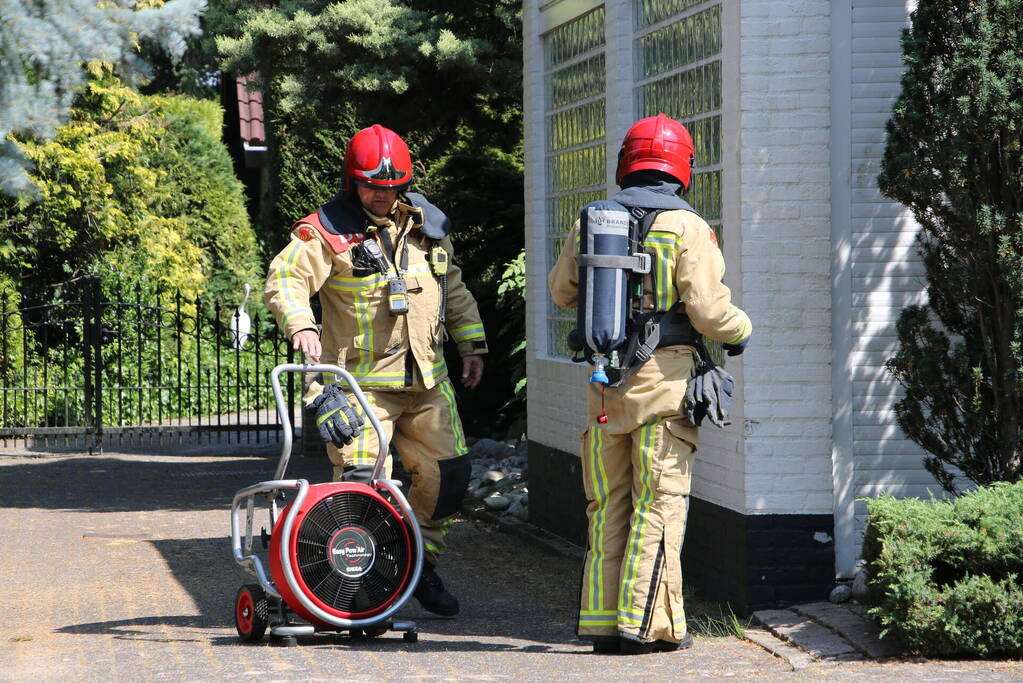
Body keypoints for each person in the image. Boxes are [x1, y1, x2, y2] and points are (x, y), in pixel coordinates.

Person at [547, 114, 752, 654]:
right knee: (658, 506)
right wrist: (741, 330)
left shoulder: (593, 220)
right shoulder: (688, 227)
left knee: (607, 506)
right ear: (684, 167)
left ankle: (600, 624)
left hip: (604, 385)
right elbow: (709, 312)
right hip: (664, 389)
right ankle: (644, 627)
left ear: (626, 163)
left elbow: (562, 292)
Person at [264, 123, 487, 617]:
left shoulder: (426, 228)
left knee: (449, 478)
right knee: (362, 489)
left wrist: (472, 345)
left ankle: (418, 564)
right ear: (352, 181)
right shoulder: (324, 233)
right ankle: (367, 584)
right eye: (370, 186)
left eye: (391, 187)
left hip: (428, 381)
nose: (382, 195)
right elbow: (286, 279)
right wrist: (301, 325)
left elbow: (452, 288)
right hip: (359, 388)